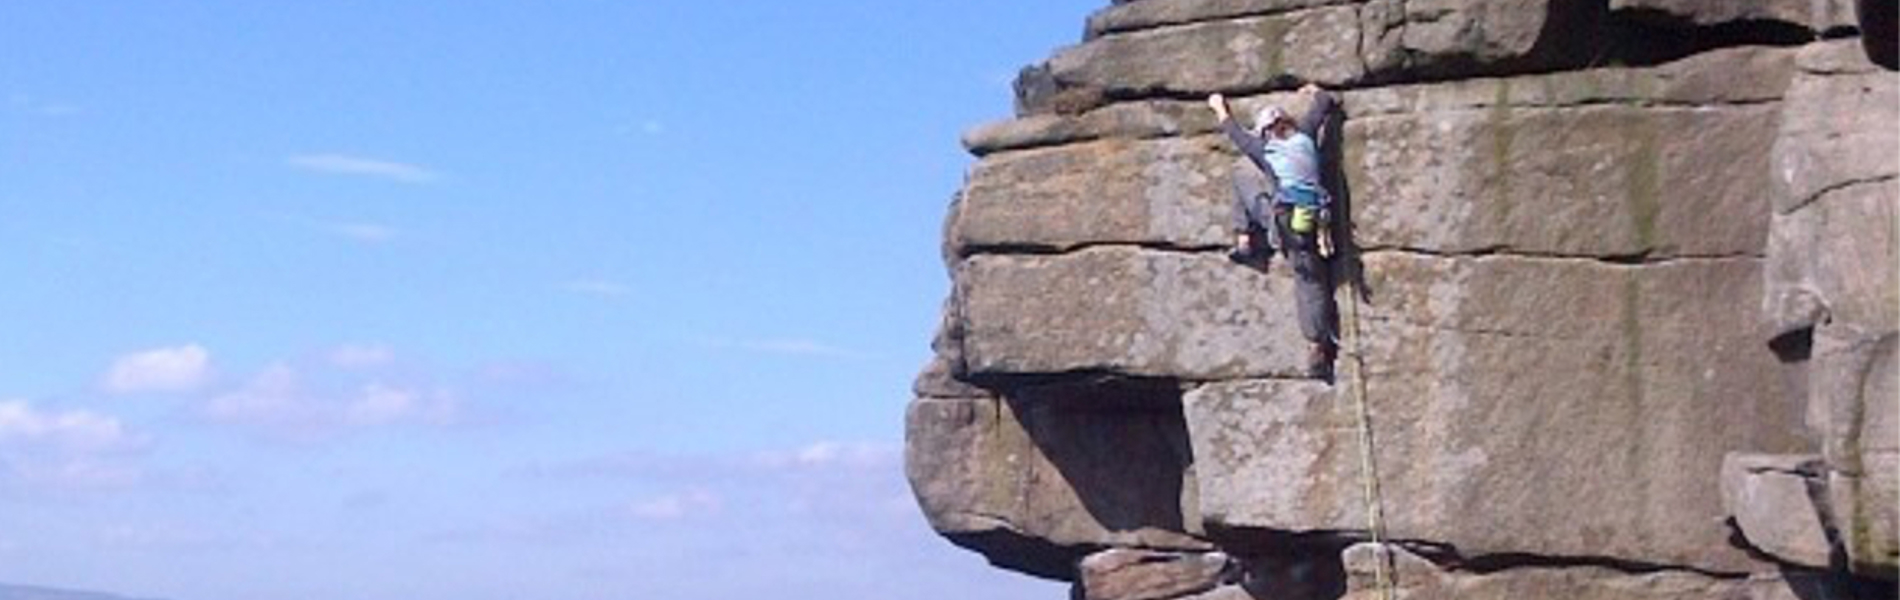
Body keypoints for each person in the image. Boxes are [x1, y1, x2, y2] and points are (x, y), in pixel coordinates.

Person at [1208, 83, 1340, 379]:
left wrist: (1219, 107)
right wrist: (1315, 90)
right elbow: (1324, 103)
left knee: (1241, 174)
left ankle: (1244, 239)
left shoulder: (1265, 149)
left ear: (1267, 131)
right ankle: (1318, 342)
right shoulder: (1306, 135)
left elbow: (1234, 132)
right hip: (1316, 220)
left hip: (1286, 224)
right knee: (1312, 277)